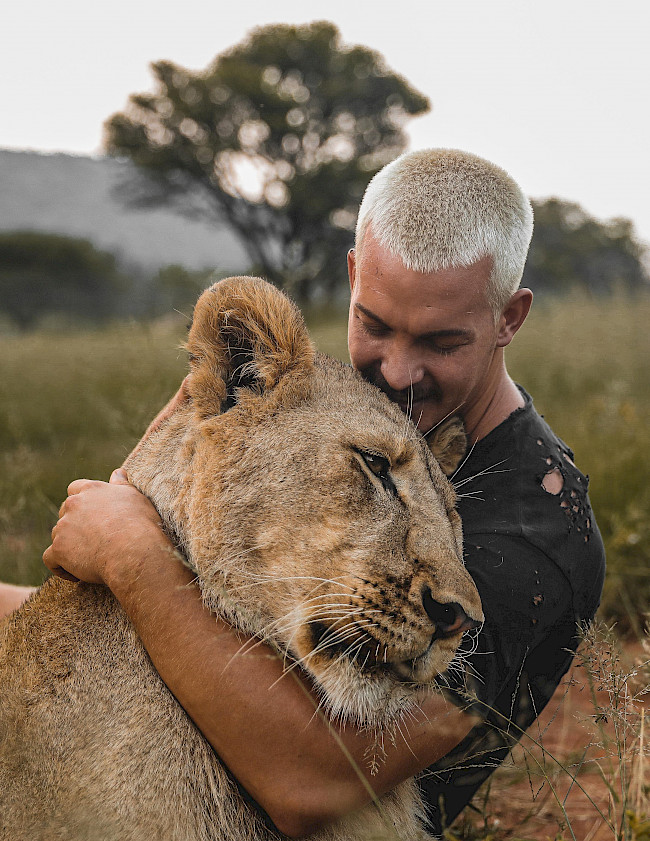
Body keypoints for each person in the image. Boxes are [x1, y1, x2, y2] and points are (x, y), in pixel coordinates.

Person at [4, 149, 605, 838]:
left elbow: (313, 780)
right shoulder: (324, 406)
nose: (397, 376)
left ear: (510, 318)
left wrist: (131, 555)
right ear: (354, 278)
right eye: (374, 324)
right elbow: (222, 594)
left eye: (441, 341)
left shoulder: (540, 532)